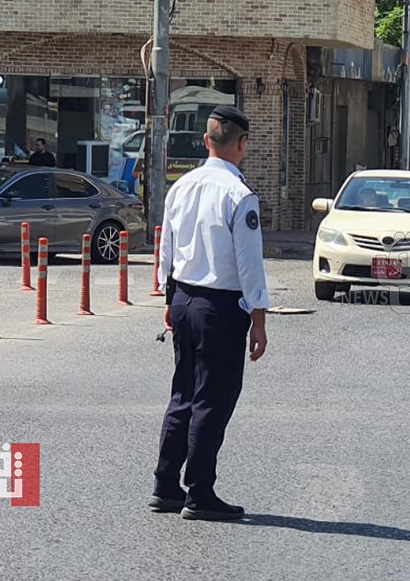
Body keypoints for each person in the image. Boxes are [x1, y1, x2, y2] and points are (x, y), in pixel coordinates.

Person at [151, 105, 269, 522]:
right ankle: (199, 492)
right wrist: (259, 317)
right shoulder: (240, 196)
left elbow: (165, 247)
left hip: (183, 298)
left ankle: (166, 485)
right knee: (212, 399)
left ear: (206, 141)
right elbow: (249, 262)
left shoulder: (180, 187)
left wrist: (168, 298)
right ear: (242, 144)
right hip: (219, 307)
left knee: (182, 393)